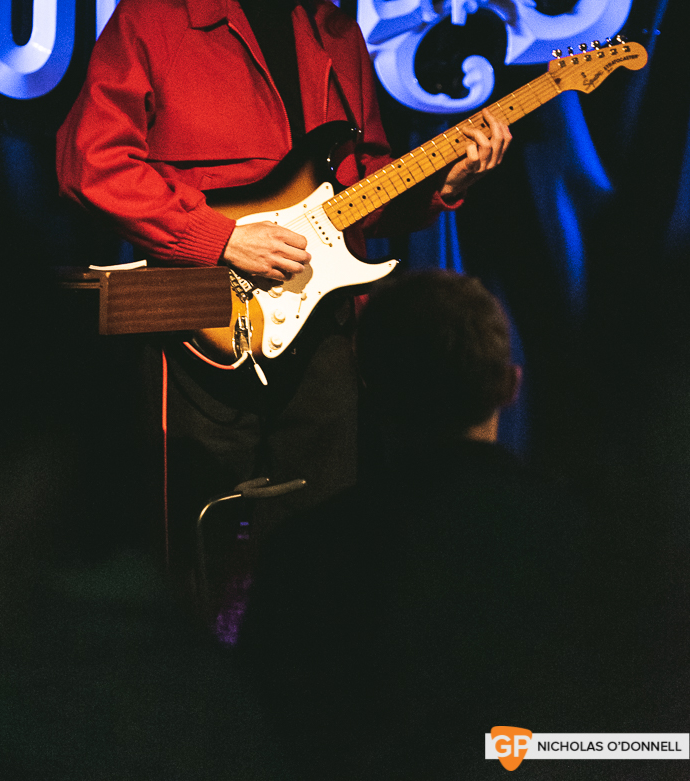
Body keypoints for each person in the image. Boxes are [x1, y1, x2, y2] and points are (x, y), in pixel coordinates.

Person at [56, 0, 510, 569]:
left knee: (324, 546)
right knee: (192, 551)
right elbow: (89, 162)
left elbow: (366, 186)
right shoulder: (158, 16)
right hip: (207, 325)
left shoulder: (334, 33)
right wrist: (221, 238)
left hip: (326, 331)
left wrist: (443, 185)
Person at [239, 270, 589, 779]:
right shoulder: (588, 538)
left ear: (367, 383)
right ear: (511, 385)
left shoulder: (303, 555)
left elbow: (268, 741)